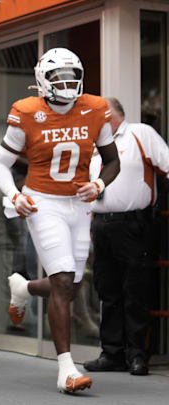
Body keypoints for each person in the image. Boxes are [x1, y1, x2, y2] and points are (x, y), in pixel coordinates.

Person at [0, 47, 120, 393]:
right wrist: (15, 195)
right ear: (42, 81)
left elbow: (112, 160)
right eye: (58, 77)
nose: (66, 83)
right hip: (43, 202)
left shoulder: (95, 108)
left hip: (78, 204)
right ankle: (66, 369)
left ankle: (24, 288)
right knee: (63, 280)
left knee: (72, 285)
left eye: (71, 76)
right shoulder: (28, 111)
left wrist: (99, 183)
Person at [84, 97, 169, 376]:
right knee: (107, 290)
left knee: (136, 290)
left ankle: (137, 355)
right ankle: (112, 352)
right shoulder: (93, 145)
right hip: (101, 224)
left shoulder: (139, 133)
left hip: (133, 224)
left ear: (109, 114)